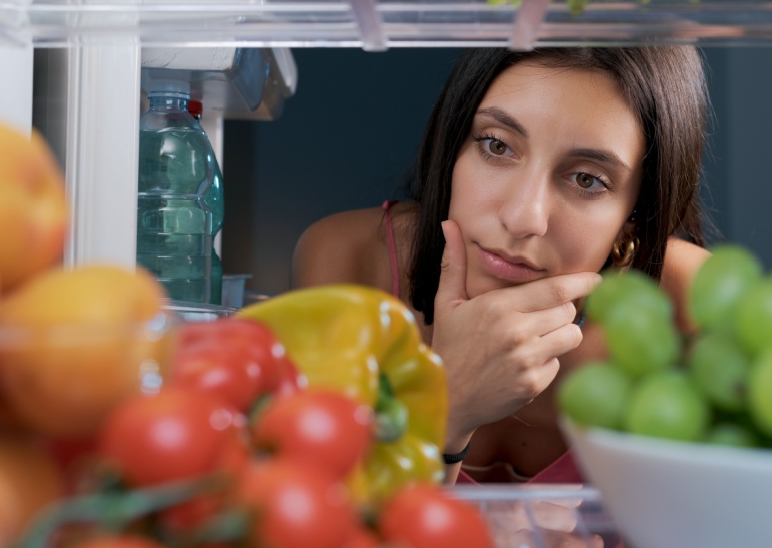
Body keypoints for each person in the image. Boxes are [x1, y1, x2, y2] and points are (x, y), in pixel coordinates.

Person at [292, 47, 710, 486]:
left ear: (634, 215)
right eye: (497, 145)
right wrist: (449, 408)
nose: (523, 216)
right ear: (452, 145)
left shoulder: (682, 301)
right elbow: (324, 536)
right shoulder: (350, 263)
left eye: (587, 179)